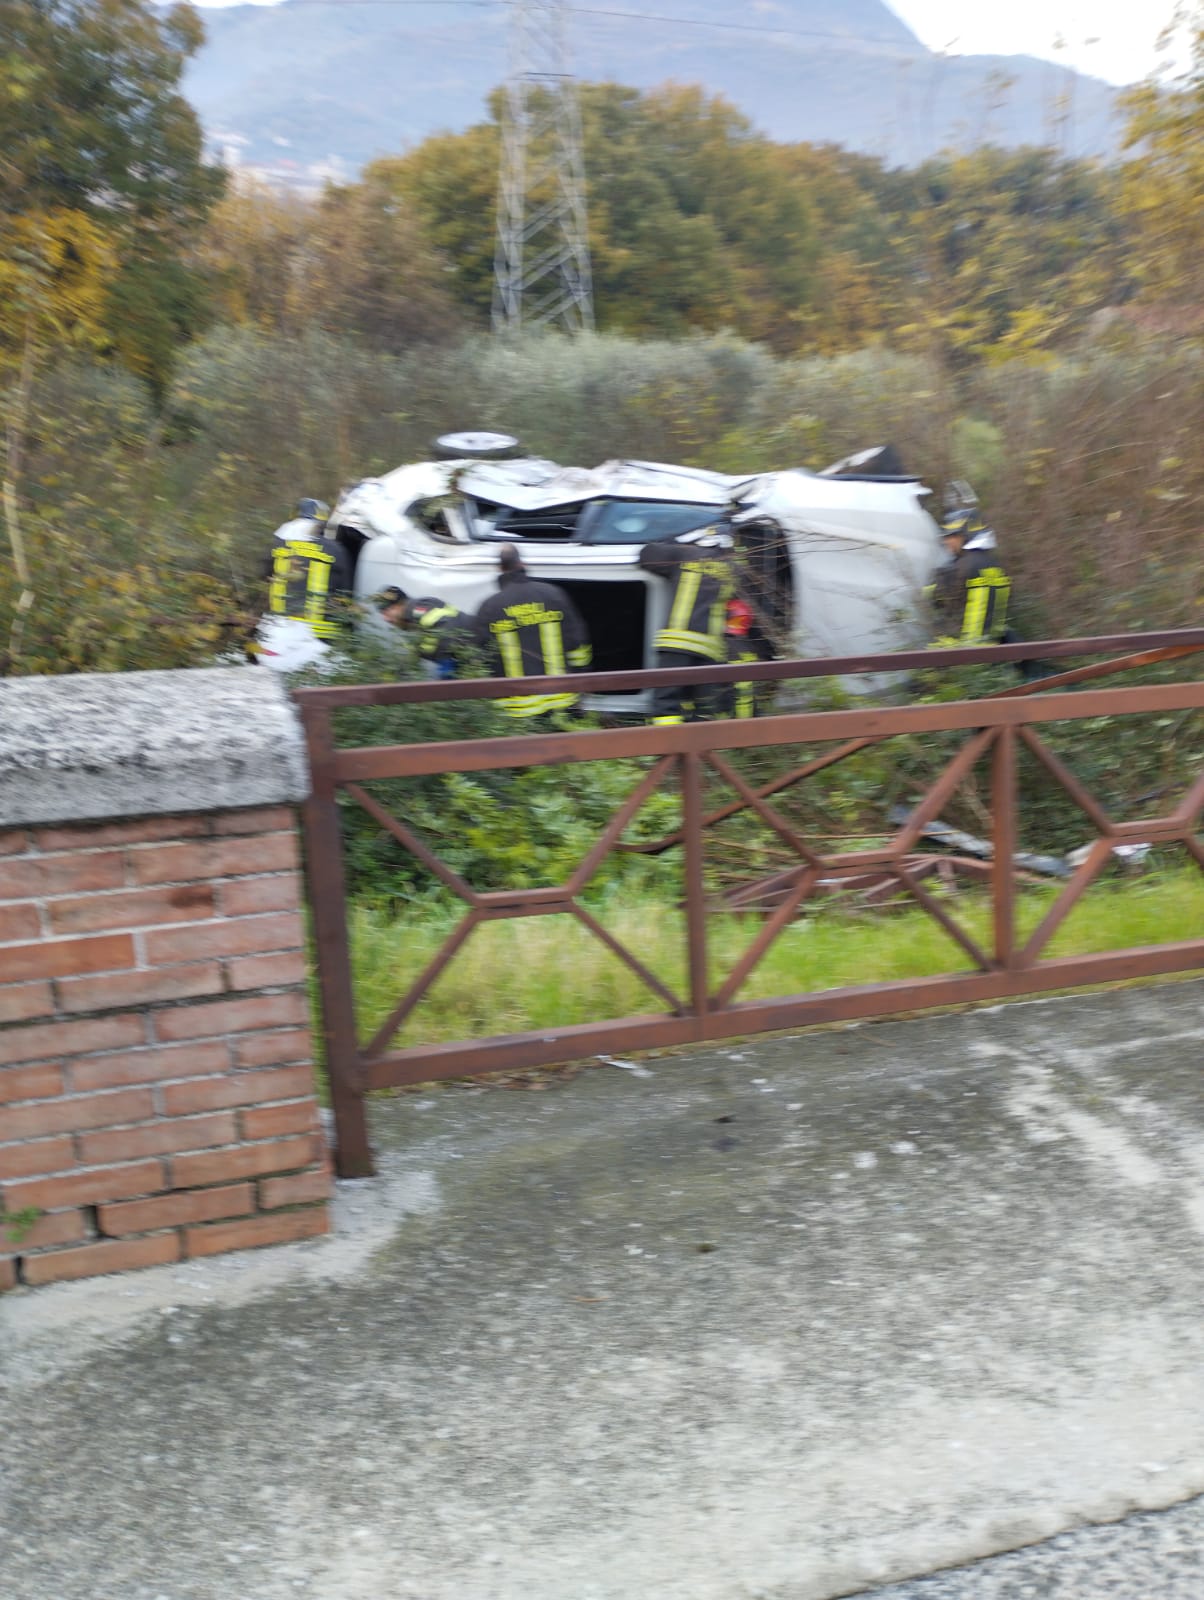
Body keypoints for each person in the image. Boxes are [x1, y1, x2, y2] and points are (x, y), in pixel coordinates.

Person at [473, 544, 592, 717]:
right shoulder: (553, 594)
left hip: (517, 710)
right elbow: (578, 645)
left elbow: (479, 656)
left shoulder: (490, 607)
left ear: (499, 569)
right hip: (562, 700)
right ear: (523, 564)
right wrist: (582, 681)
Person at [638, 525, 737, 725]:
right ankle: (698, 749)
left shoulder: (683, 554)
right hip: (711, 649)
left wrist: (671, 540)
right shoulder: (734, 569)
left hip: (677, 642)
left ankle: (668, 745)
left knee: (666, 702)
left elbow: (647, 555)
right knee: (703, 703)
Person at [264, 499, 353, 641]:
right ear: (321, 524)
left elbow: (266, 577)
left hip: (279, 632)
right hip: (322, 636)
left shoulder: (276, 545)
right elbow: (346, 594)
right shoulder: (337, 551)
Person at [929, 503, 1012, 646]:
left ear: (966, 535)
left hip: (966, 651)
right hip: (994, 648)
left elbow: (941, 603)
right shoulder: (995, 564)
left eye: (952, 535)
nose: (946, 541)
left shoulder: (964, 567)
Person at [379, 589, 475, 679]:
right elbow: (419, 648)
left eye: (387, 611)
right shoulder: (412, 618)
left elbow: (446, 627)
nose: (385, 619)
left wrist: (446, 665)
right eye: (382, 613)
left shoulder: (419, 609)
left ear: (400, 605)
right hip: (470, 654)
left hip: (477, 648)